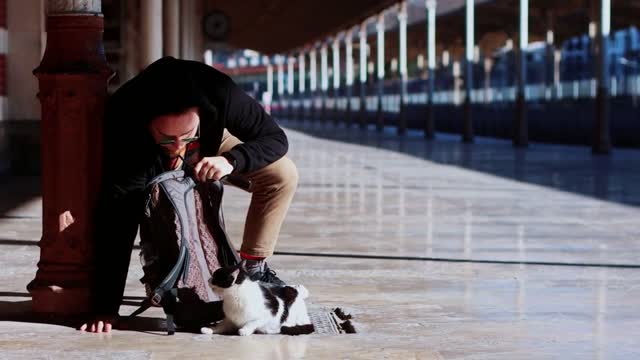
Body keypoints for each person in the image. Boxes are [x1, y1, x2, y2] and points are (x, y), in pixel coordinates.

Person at [79, 57, 298, 333]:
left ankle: (253, 268)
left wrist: (231, 160)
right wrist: (105, 307)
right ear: (148, 124)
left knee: (283, 175)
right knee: (148, 203)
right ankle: (162, 274)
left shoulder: (221, 92)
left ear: (201, 112)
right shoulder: (125, 115)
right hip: (145, 155)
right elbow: (119, 219)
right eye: (168, 138)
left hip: (212, 146)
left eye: (186, 136)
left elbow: (275, 138)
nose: (178, 147)